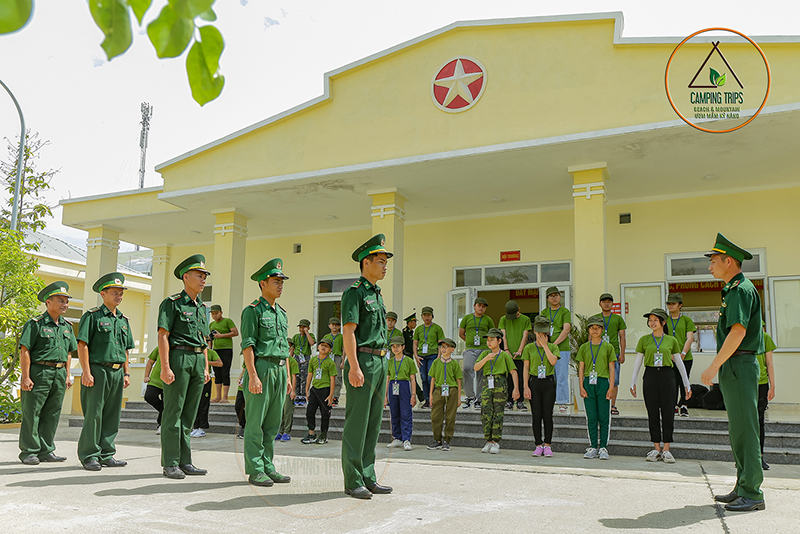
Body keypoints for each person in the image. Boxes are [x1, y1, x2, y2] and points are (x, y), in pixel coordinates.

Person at [701, 234, 766, 512]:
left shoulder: (740, 289)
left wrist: (714, 365)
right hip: (734, 366)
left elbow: (738, 331)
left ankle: (752, 492)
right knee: (738, 429)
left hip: (739, 364)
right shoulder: (732, 289)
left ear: (729, 261)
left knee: (746, 430)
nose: (710, 267)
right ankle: (743, 486)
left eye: (713, 261)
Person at [340, 234, 393, 499]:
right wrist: (353, 366)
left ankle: (368, 476)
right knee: (357, 423)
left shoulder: (377, 294)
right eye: (381, 261)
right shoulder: (354, 293)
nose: (385, 266)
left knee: (373, 423)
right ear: (366, 262)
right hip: (363, 360)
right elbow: (348, 331)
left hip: (381, 361)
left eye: (386, 262)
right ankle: (352, 479)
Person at [157, 255, 212, 480]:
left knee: (189, 414)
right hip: (179, 358)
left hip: (199, 360)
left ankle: (185, 460)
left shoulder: (202, 307)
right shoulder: (172, 303)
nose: (203, 280)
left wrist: (207, 367)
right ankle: (170, 462)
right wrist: (165, 366)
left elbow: (204, 339)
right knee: (173, 412)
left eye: (204, 276)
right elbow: (163, 335)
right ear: (185, 277)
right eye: (199, 276)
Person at [241, 258, 293, 487]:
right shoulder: (252, 311)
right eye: (276, 280)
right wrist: (252, 375)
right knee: (255, 423)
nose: (280, 284)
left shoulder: (282, 313)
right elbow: (248, 345)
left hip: (280, 370)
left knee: (273, 424)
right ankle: (255, 469)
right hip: (261, 368)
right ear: (263, 283)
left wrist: (289, 377)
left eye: (282, 281)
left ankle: (268, 466)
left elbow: (285, 349)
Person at [76, 273, 135, 471]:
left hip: (117, 373)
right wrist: (86, 371)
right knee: (94, 414)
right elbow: (82, 344)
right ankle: (89, 455)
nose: (119, 296)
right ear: (103, 294)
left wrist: (126, 373)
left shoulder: (123, 320)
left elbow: (126, 349)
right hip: (98, 371)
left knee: (112, 415)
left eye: (121, 293)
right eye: (115, 292)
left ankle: (107, 453)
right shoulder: (92, 316)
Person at [17, 281, 77, 465]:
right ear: (48, 302)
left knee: (52, 413)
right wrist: (26, 376)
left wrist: (68, 375)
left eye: (66, 301)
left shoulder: (67, 326)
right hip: (39, 371)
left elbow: (68, 352)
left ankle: (46, 450)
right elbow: (25, 350)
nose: (65, 305)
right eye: (60, 300)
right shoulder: (35, 324)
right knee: (32, 412)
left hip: (59, 374)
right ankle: (29, 451)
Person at [630, 308, 691, 463]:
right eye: (650, 320)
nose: (652, 323)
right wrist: (633, 380)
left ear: (663, 322)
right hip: (650, 375)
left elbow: (679, 362)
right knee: (652, 412)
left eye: (655, 320)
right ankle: (656, 447)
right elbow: (638, 361)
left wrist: (686, 384)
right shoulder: (644, 340)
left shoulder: (672, 340)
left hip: (667, 376)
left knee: (668, 411)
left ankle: (667, 448)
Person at [474, 328, 519, 454]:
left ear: (499, 341)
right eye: (488, 340)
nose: (489, 342)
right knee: (485, 413)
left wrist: (516, 389)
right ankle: (488, 440)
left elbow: (513, 372)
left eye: (492, 340)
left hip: (500, 383)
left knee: (498, 413)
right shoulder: (484, 354)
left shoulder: (504, 355)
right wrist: (486, 359)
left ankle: (496, 442)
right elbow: (476, 367)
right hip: (487, 383)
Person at [578, 316, 617, 460]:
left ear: (602, 329)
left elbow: (612, 369)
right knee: (592, 417)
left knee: (604, 417)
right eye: (592, 327)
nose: (595, 330)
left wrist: (611, 387)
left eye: (597, 327)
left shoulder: (608, 347)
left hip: (602, 382)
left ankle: (604, 447)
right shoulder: (584, 347)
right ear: (589, 330)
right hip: (588, 383)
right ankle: (593, 446)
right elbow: (581, 368)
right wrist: (581, 386)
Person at [523, 316, 560, 457]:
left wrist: (545, 345)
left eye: (544, 333)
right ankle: (538, 444)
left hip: (548, 383)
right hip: (534, 382)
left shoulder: (553, 347)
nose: (541, 336)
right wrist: (525, 386)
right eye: (539, 333)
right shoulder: (529, 348)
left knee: (547, 415)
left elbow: (553, 362)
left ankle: (548, 445)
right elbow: (526, 368)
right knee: (536, 415)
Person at [459, 297, 495, 410]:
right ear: (474, 306)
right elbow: (461, 333)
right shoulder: (467, 318)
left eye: (483, 306)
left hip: (484, 349)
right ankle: (470, 396)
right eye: (479, 305)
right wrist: (470, 342)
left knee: (481, 373)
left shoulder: (488, 319)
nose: (481, 308)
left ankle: (479, 399)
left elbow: (492, 335)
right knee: (467, 368)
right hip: (470, 349)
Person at [427, 338, 462, 452]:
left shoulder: (455, 364)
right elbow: (432, 379)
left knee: (450, 417)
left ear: (452, 349)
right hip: (438, 390)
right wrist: (431, 395)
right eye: (442, 347)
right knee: (435, 416)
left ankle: (447, 440)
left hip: (452, 391)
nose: (443, 349)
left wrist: (459, 398)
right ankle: (437, 440)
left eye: (446, 347)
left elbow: (458, 381)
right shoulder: (436, 362)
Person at [594, 293, 627, 415]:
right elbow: (590, 337)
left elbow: (622, 336)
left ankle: (612, 405)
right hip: (598, 354)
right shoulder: (596, 318)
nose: (606, 303)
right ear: (600, 304)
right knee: (599, 379)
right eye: (604, 301)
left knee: (614, 381)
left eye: (609, 301)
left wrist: (622, 353)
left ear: (612, 304)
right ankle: (600, 404)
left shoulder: (618, 319)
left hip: (614, 354)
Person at [665, 293, 697, 417]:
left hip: (685, 357)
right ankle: (672, 405)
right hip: (669, 358)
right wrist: (670, 355)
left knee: (684, 381)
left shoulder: (686, 320)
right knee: (670, 382)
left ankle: (684, 405)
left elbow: (689, 338)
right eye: (669, 303)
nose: (671, 306)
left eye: (673, 303)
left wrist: (682, 353)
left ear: (680, 305)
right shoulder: (665, 320)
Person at [302, 335, 337, 444]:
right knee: (310, 412)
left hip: (325, 390)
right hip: (314, 389)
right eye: (322, 345)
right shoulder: (313, 360)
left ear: (330, 350)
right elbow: (309, 375)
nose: (323, 347)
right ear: (318, 347)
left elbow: (332, 380)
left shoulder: (330, 363)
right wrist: (307, 390)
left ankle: (323, 435)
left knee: (325, 414)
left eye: (326, 346)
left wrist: (331, 395)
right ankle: (311, 434)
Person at [542, 287, 572, 412]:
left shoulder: (565, 311)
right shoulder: (544, 312)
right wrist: (545, 345)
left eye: (556, 295)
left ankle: (562, 401)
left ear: (560, 297)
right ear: (548, 299)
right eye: (551, 296)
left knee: (561, 375)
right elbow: (541, 330)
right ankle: (548, 399)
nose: (554, 298)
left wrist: (553, 344)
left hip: (562, 348)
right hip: (546, 348)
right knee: (547, 375)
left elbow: (566, 330)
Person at [385, 335, 416, 451]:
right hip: (393, 385)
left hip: (404, 386)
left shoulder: (408, 361)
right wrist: (385, 395)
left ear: (403, 347)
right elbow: (387, 378)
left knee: (406, 413)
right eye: (393, 346)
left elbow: (413, 379)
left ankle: (406, 439)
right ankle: (397, 437)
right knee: (394, 412)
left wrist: (413, 394)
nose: (395, 349)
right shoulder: (390, 362)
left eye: (398, 346)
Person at [498, 300, 531, 411]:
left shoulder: (525, 319)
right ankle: (509, 401)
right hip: (508, 353)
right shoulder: (503, 319)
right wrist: (506, 349)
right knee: (508, 378)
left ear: (519, 310)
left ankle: (520, 401)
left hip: (520, 354)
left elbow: (524, 336)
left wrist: (520, 350)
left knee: (521, 378)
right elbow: (504, 335)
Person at [413, 306, 445, 408]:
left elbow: (440, 344)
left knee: (431, 377)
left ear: (432, 316)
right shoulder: (418, 329)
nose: (427, 317)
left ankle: (434, 399)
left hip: (433, 356)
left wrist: (439, 357)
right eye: (425, 315)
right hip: (422, 355)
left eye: (429, 315)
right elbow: (415, 344)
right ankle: (426, 399)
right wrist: (416, 356)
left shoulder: (437, 328)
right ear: (422, 316)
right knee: (423, 378)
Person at [756, 327, 777, 470]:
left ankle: (760, 457)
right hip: (744, 382)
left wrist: (772, 385)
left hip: (761, 383)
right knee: (746, 421)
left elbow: (769, 362)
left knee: (759, 421)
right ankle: (746, 457)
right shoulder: (741, 334)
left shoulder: (764, 337)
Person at [190, 348, 223, 437]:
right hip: (194, 379)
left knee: (203, 404)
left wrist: (207, 362)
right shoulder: (193, 350)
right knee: (194, 404)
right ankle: (195, 427)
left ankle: (202, 427)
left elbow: (220, 363)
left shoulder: (211, 352)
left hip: (205, 379)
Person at [209, 304, 238, 403]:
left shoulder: (227, 321)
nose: (214, 316)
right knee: (217, 373)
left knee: (225, 372)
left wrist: (221, 336)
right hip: (215, 350)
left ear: (221, 312)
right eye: (213, 314)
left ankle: (225, 397)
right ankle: (217, 396)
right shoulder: (211, 325)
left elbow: (235, 332)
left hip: (226, 349)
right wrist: (210, 350)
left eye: (216, 313)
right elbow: (210, 339)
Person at [277, 338, 299, 441]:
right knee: (279, 411)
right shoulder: (278, 359)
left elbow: (294, 376)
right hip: (279, 389)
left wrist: (293, 391)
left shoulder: (292, 360)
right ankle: (280, 431)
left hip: (288, 389)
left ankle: (287, 432)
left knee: (288, 411)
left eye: (288, 345)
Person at [403, 313, 425, 405]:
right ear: (409, 322)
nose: (415, 323)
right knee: (411, 377)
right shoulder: (405, 332)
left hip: (411, 356)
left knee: (412, 376)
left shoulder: (412, 333)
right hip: (406, 355)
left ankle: (420, 396)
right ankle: (420, 395)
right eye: (414, 321)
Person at [292, 319, 316, 406]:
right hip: (296, 358)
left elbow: (312, 343)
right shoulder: (295, 337)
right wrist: (290, 359)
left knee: (304, 378)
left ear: (308, 328)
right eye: (300, 327)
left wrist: (307, 333)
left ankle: (303, 396)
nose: (302, 329)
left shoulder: (310, 335)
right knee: (296, 377)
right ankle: (297, 396)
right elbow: (293, 348)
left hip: (305, 359)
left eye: (304, 327)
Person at [143, 347, 164, 434]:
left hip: (170, 382)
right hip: (155, 380)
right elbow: (150, 362)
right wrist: (146, 376)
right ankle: (166, 412)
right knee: (149, 396)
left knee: (166, 404)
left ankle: (161, 425)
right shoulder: (159, 348)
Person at [328, 317, 344, 406]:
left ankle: (335, 396)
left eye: (336, 325)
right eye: (333, 325)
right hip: (328, 358)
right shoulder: (327, 336)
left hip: (337, 357)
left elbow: (344, 348)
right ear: (329, 326)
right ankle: (328, 395)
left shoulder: (341, 336)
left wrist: (343, 361)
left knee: (337, 377)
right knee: (328, 377)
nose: (334, 326)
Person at [235, 362, 246, 438]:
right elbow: (244, 369)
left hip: (251, 386)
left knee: (250, 408)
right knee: (238, 406)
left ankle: (246, 429)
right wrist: (239, 378)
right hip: (242, 386)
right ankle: (243, 425)